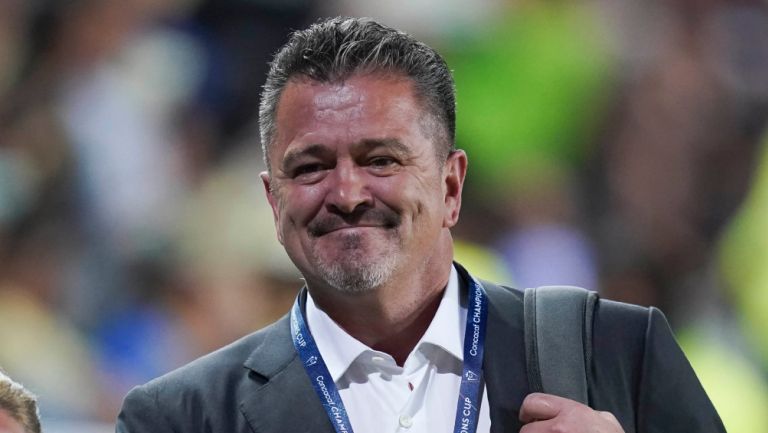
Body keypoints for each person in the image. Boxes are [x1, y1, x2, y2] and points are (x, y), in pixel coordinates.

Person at [116, 17, 724, 433]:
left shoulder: (616, 352)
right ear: (274, 202)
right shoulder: (181, 417)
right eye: (310, 167)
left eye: (381, 160)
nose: (346, 194)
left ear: (451, 186)